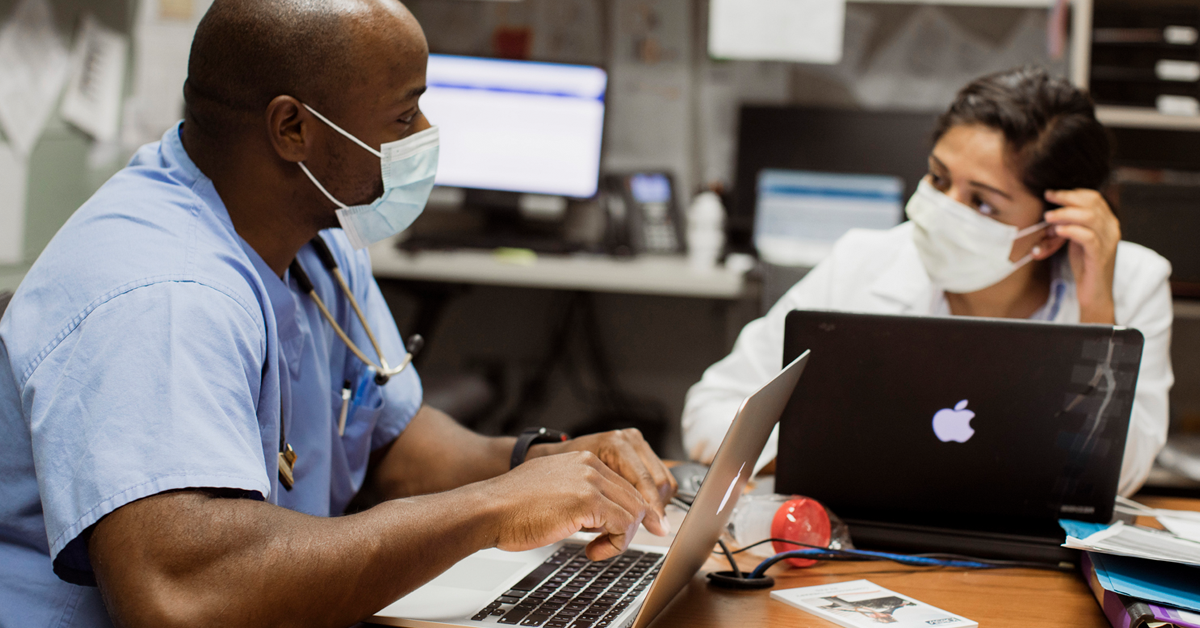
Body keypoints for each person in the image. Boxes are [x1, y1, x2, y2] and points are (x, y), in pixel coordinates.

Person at [0, 1, 677, 627]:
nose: (427, 133)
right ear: (293, 128)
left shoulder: (314, 237)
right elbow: (183, 596)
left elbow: (392, 445)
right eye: (404, 114)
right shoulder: (161, 295)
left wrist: (547, 462)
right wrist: (495, 507)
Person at [683, 67, 1173, 498]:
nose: (943, 210)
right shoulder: (864, 261)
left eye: (982, 203)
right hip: (855, 548)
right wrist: (824, 465)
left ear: (1049, 233)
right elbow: (710, 412)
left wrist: (1096, 318)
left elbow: (1117, 478)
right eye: (939, 179)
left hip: (1033, 568)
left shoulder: (1132, 284)